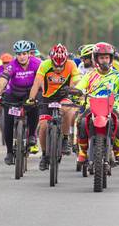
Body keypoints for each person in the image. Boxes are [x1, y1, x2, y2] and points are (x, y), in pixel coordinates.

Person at [73, 42, 119, 166]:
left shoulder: (118, 75)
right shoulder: (89, 75)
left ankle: (118, 151)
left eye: (107, 57)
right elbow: (79, 87)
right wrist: (75, 91)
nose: (104, 60)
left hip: (112, 108)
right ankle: (82, 151)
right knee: (81, 122)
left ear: (111, 59)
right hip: (92, 108)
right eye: (101, 58)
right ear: (96, 59)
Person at [28, 43, 81, 171]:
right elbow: (36, 84)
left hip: (64, 95)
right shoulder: (44, 65)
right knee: (43, 126)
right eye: (55, 65)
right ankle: (44, 155)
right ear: (51, 60)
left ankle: (65, 139)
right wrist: (31, 99)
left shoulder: (71, 65)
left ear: (65, 61)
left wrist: (75, 91)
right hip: (47, 98)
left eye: (61, 66)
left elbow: (77, 82)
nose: (58, 68)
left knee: (67, 110)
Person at [0, 40, 41, 165]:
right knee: (8, 121)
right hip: (13, 94)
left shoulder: (37, 63)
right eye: (19, 54)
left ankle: (32, 135)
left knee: (34, 108)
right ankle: (9, 152)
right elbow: (2, 82)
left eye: (24, 53)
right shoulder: (11, 65)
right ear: (16, 55)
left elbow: (42, 80)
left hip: (30, 93)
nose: (22, 57)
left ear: (29, 54)